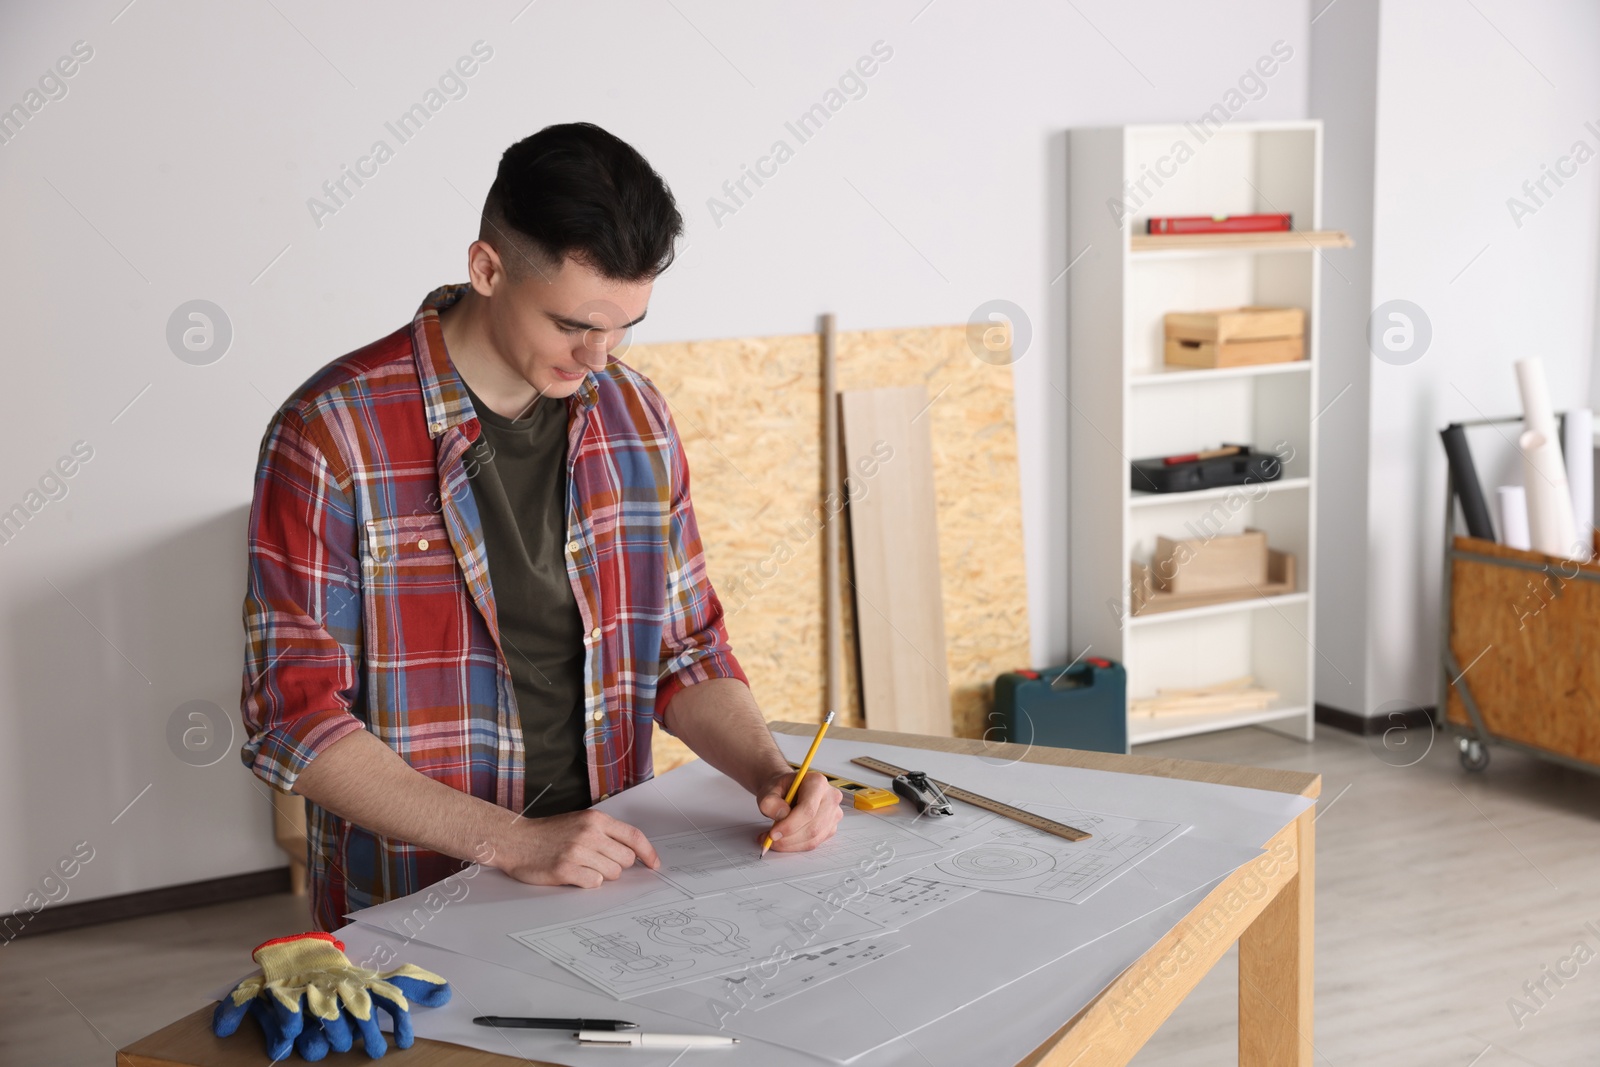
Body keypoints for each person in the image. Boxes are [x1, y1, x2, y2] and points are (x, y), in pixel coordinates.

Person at [239, 122, 842, 930]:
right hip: (418, 898)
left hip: (616, 873)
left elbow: (688, 650)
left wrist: (771, 772)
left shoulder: (636, 416)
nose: (600, 357)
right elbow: (295, 716)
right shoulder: (331, 433)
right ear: (486, 268)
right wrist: (513, 841)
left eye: (624, 324)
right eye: (573, 325)